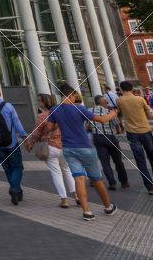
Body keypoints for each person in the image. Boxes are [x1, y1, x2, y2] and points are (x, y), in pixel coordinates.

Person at [45, 84, 120, 220]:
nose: (75, 98)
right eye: (75, 96)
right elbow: (101, 120)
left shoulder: (54, 109)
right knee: (96, 179)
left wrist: (60, 121)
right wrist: (113, 113)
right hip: (84, 147)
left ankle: (87, 212)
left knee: (78, 178)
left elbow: (48, 128)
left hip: (68, 148)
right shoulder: (79, 108)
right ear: (71, 95)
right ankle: (108, 207)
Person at [0, 82, 29, 205]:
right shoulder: (8, 106)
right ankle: (14, 189)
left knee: (7, 168)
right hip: (11, 143)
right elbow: (16, 123)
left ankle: (17, 191)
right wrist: (24, 136)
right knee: (17, 167)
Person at [26, 94, 75, 207]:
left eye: (39, 100)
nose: (38, 102)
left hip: (50, 146)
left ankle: (64, 200)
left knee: (56, 173)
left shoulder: (41, 116)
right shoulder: (61, 113)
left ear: (45, 102)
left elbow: (36, 133)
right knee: (67, 170)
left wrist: (30, 143)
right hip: (64, 144)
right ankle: (77, 195)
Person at [116, 80, 153, 195]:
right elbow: (150, 114)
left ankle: (150, 187)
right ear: (132, 88)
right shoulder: (140, 99)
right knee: (152, 156)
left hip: (131, 133)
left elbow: (119, 114)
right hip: (145, 130)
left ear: (121, 89)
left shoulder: (119, 100)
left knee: (140, 160)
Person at [89, 96, 130, 190]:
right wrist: (119, 130)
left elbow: (87, 126)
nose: (107, 104)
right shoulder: (109, 112)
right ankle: (124, 182)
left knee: (105, 162)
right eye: (106, 102)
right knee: (118, 161)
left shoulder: (89, 111)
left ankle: (112, 183)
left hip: (97, 138)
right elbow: (117, 125)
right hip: (110, 137)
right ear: (103, 103)